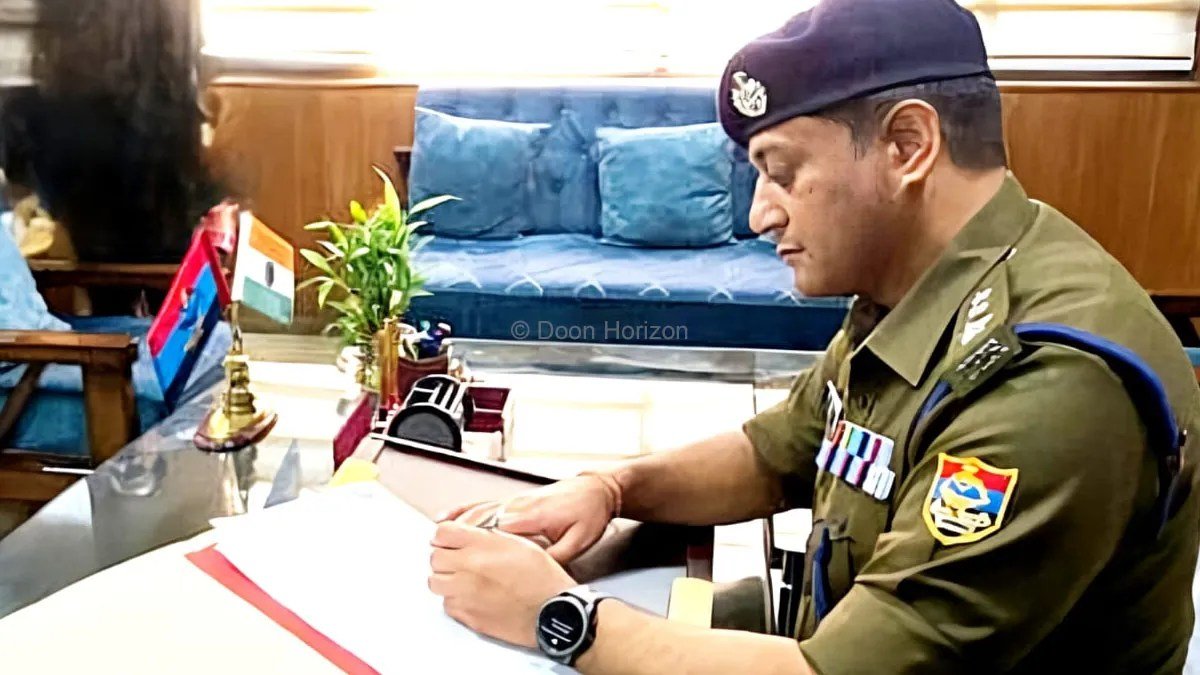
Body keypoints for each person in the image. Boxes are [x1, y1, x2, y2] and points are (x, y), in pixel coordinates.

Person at [427, 0, 1200, 672]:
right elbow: (778, 452)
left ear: (908, 146)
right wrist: (612, 487)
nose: (761, 214)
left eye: (783, 171)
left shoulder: (1047, 385)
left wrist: (558, 618)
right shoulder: (917, 287)